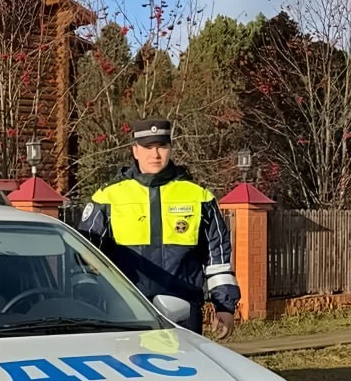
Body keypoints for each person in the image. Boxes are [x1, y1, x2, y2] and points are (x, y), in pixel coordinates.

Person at [79, 118, 240, 337]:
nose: (155, 155)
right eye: (147, 147)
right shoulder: (108, 197)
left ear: (170, 148)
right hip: (126, 310)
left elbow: (218, 258)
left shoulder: (198, 196)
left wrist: (225, 306)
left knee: (186, 369)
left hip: (184, 309)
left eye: (161, 147)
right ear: (135, 151)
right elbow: (86, 260)